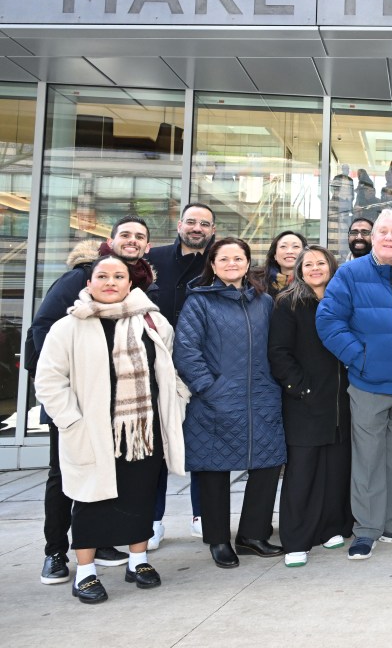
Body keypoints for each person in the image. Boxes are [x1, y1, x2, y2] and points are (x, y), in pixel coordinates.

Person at [34, 256, 188, 604]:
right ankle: (85, 573)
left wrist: (176, 403)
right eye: (102, 276)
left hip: (143, 429)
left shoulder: (154, 322)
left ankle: (138, 561)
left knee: (141, 496)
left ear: (129, 283)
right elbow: (48, 380)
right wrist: (71, 419)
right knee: (91, 499)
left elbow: (169, 368)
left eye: (119, 276)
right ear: (88, 284)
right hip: (93, 430)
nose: (110, 282)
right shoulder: (69, 326)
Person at [30, 215, 158, 584]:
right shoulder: (77, 279)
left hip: (128, 413)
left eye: (139, 237)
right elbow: (44, 331)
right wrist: (71, 406)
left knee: (126, 479)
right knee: (68, 478)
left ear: (146, 246)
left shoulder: (143, 292)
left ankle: (108, 544)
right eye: (125, 235)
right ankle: (56, 551)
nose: (132, 241)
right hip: (79, 406)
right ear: (110, 239)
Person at [316, 209, 392, 559]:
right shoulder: (351, 274)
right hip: (369, 384)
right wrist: (361, 358)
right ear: (372, 237)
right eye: (382, 231)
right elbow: (328, 321)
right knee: (368, 460)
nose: (388, 237)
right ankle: (367, 529)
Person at [175, 237, 286, 569]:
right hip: (215, 401)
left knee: (267, 467)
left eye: (238, 258)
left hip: (262, 399)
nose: (231, 263)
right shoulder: (199, 302)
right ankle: (218, 539)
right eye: (224, 258)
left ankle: (252, 534)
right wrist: (209, 388)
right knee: (214, 470)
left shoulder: (264, 302)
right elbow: (186, 350)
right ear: (212, 264)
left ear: (248, 263)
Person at [268, 245, 353, 568]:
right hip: (304, 401)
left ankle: (332, 527)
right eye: (308, 264)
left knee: (336, 469)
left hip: (340, 402)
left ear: (331, 267)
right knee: (302, 473)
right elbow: (278, 352)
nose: (315, 268)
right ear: (299, 270)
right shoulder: (288, 304)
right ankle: (297, 540)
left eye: (321, 263)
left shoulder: (342, 302)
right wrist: (300, 387)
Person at [146, 202, 216, 542]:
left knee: (202, 444)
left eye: (204, 223)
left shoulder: (218, 263)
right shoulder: (152, 260)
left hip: (202, 368)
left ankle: (201, 514)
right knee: (157, 447)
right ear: (179, 225)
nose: (197, 228)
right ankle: (153, 520)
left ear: (212, 231)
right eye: (192, 221)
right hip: (155, 368)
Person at [264, 230, 308, 297]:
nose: (289, 251)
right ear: (274, 255)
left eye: (295, 246)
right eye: (283, 246)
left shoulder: (312, 282)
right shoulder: (259, 286)